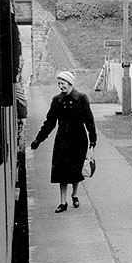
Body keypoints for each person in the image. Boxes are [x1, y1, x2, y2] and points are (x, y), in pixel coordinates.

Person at [31, 71, 97, 213]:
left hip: (79, 139)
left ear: (70, 83)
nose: (61, 86)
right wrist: (39, 139)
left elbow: (89, 121)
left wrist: (93, 141)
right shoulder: (57, 100)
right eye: (59, 84)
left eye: (63, 83)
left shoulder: (81, 98)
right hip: (62, 139)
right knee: (61, 171)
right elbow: (49, 122)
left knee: (76, 170)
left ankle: (74, 194)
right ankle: (63, 202)